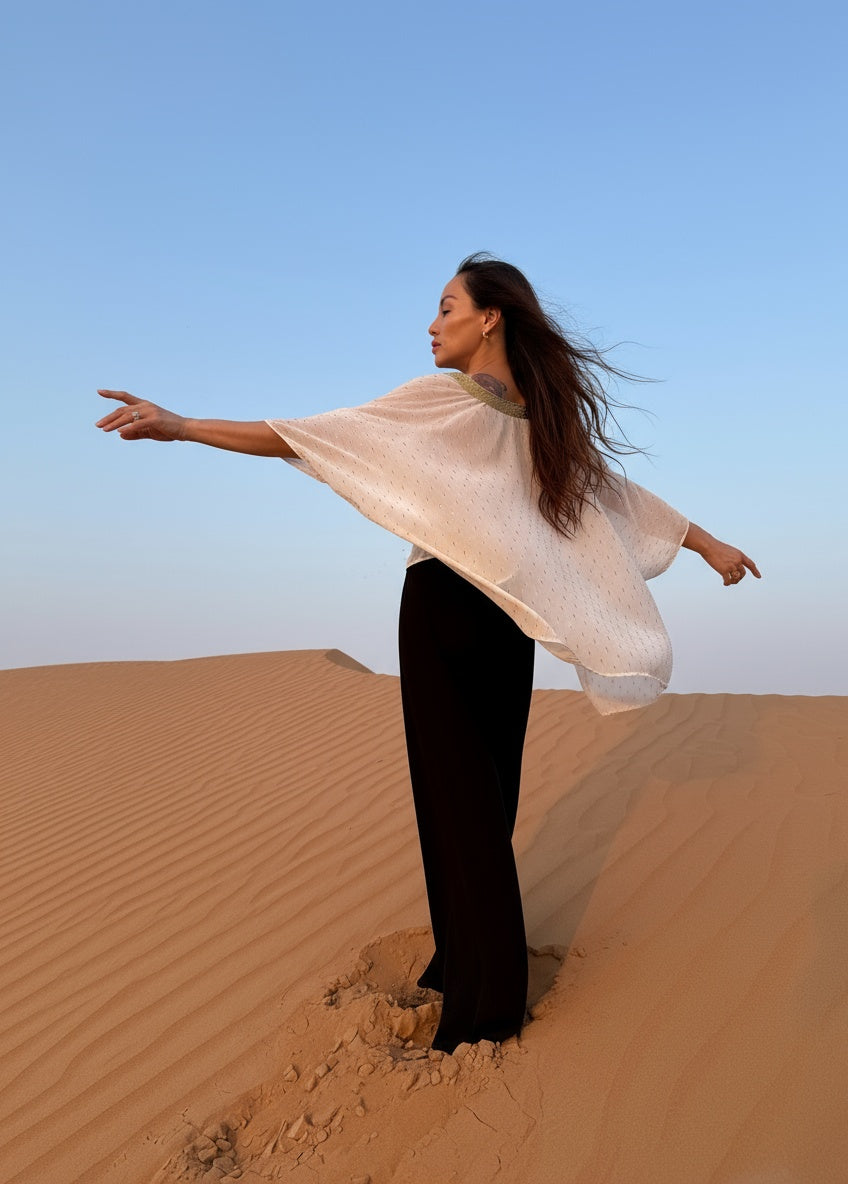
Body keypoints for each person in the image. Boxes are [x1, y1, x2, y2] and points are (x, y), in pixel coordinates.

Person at [95, 253, 760, 1053]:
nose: (432, 323)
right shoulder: (542, 423)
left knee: (456, 804)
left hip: (446, 607)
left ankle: (483, 1009)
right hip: (506, 624)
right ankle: (460, 966)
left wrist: (181, 425)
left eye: (447, 307)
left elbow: (302, 436)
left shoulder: (448, 401)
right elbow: (623, 499)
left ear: (490, 318)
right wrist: (709, 543)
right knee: (487, 798)